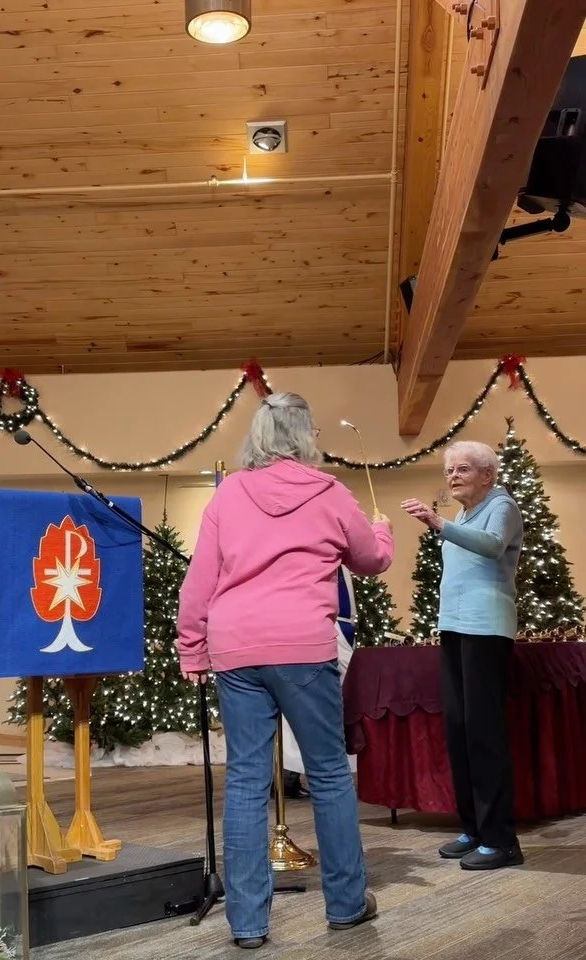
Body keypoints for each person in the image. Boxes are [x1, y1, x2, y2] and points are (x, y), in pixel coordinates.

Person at [177, 392, 394, 949]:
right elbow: (371, 561)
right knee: (327, 774)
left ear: (258, 436)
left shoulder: (228, 495)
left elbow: (200, 579)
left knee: (247, 782)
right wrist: (384, 530)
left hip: (236, 647)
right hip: (301, 645)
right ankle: (347, 905)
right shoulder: (331, 493)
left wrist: (191, 648)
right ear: (307, 436)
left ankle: (248, 924)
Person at [401, 440, 523, 871]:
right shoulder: (463, 514)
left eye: (463, 469)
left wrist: (437, 522)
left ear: (487, 476)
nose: (452, 476)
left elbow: (491, 546)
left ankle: (502, 840)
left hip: (486, 628)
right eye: (450, 469)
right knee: (458, 729)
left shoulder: (502, 506)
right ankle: (474, 829)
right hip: (454, 628)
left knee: (483, 733)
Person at [280, 566, 358, 797]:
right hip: (324, 624)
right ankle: (294, 774)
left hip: (338, 624)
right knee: (312, 701)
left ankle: (308, 774)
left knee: (333, 701)